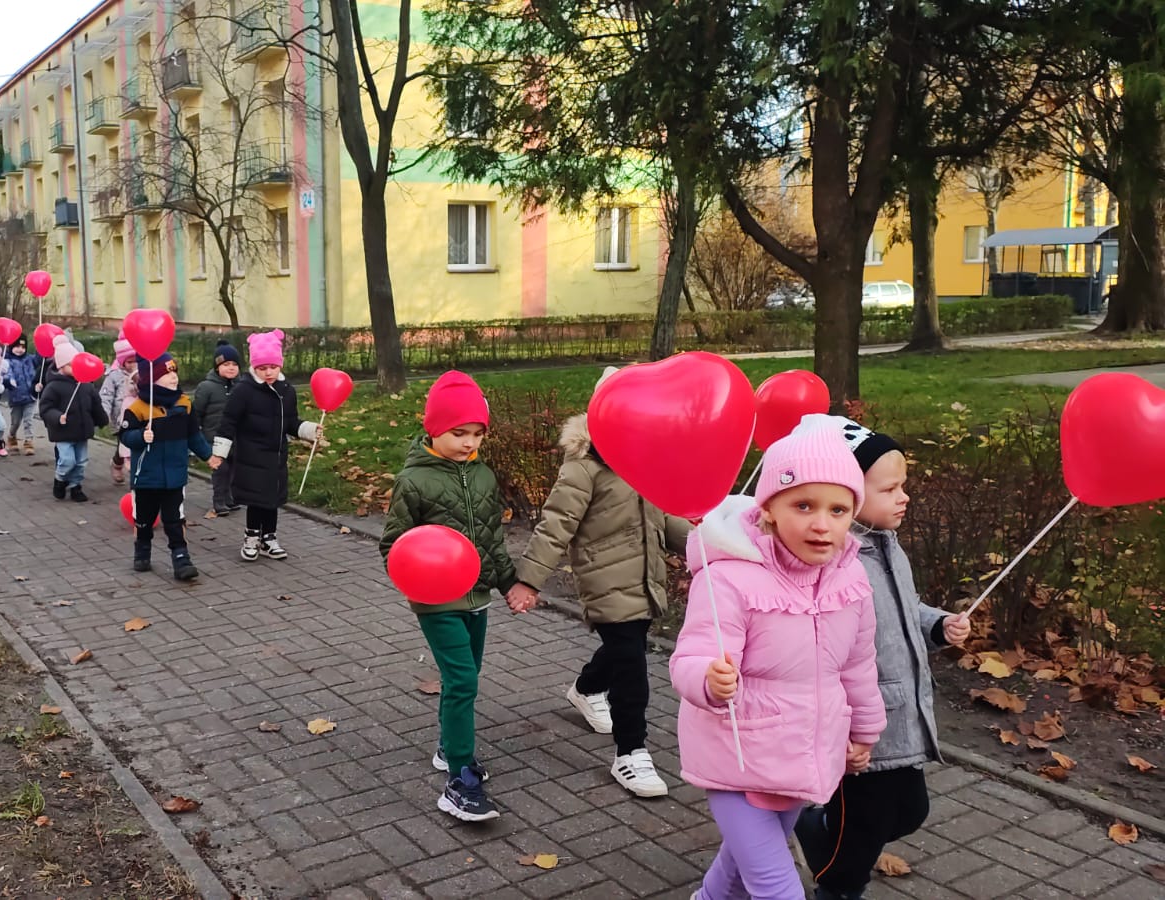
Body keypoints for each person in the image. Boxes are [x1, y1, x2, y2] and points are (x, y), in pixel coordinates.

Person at [670, 423, 885, 900]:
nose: (821, 524)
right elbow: (692, 654)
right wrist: (708, 679)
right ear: (768, 507)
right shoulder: (729, 579)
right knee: (776, 885)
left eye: (838, 509)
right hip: (737, 752)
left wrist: (864, 731)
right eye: (803, 505)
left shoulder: (851, 579)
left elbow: (858, 664)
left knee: (739, 864)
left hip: (804, 752)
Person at [792, 417, 970, 900]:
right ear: (846, 492)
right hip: (859, 723)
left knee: (909, 812)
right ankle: (837, 886)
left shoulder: (887, 546)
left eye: (902, 486)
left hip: (903, 711)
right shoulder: (831, 560)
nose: (903, 497)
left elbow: (904, 606)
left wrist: (936, 624)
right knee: (864, 824)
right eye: (889, 489)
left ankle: (813, 827)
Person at [507, 367, 690, 798]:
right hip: (605, 578)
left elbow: (663, 517)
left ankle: (587, 689)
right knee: (631, 666)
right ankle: (631, 752)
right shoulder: (584, 467)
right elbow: (556, 525)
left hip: (645, 578)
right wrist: (529, 580)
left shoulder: (644, 461)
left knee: (626, 648)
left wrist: (705, 547)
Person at [379, 371, 522, 823]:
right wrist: (419, 578)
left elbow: (492, 538)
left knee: (468, 674)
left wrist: (509, 583)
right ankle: (460, 780)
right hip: (437, 601)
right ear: (435, 428)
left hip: (478, 595)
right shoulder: (413, 481)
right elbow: (393, 545)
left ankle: (448, 745)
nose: (469, 442)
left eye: (477, 433)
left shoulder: (482, 475)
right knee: (462, 682)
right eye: (459, 433)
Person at [209, 330, 321, 560]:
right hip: (251, 456)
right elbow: (229, 422)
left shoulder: (286, 391)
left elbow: (291, 422)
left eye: (273, 367)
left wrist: (308, 430)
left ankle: (269, 537)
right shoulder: (243, 391)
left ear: (280, 365)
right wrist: (219, 453)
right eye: (262, 368)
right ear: (254, 367)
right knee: (256, 499)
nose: (268, 372)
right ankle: (251, 536)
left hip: (276, 456)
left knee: (272, 499)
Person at [119, 353, 213, 581]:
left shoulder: (183, 404)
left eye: (175, 372)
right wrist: (141, 436)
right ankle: (142, 549)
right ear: (152, 378)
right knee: (144, 519)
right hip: (146, 477)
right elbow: (125, 436)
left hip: (174, 475)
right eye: (167, 373)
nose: (174, 377)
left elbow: (194, 435)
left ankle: (181, 557)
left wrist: (208, 456)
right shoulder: (138, 408)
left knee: (174, 519)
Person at [39, 335, 108, 503]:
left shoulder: (85, 384)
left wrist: (102, 419)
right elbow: (45, 408)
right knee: (67, 460)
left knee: (81, 461)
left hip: (82, 431)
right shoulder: (53, 386)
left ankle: (76, 486)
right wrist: (57, 417)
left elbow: (95, 403)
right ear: (61, 366)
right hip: (63, 431)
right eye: (71, 365)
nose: (75, 368)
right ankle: (60, 479)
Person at [194, 341, 244, 516]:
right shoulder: (206, 387)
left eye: (234, 364)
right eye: (226, 364)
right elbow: (197, 412)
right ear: (217, 367)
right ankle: (219, 500)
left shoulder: (242, 386)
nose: (231, 368)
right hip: (214, 437)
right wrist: (197, 433)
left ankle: (229, 497)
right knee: (220, 469)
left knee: (233, 469)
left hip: (236, 437)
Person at [99, 333, 138, 484]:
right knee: (122, 445)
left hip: (138, 415)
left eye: (135, 360)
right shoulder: (114, 376)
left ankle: (136, 470)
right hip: (120, 418)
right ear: (122, 362)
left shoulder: (142, 374)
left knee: (134, 443)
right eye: (129, 361)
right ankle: (117, 464)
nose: (133, 364)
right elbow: (106, 395)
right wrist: (104, 412)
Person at [4, 335, 41, 455]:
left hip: (30, 396)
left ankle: (28, 441)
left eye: (23, 347)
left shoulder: (30, 359)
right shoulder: (8, 361)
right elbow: (7, 374)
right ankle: (11, 436)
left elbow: (39, 359)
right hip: (15, 398)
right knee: (15, 422)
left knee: (28, 420)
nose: (20, 349)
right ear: (11, 347)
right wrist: (9, 381)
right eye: (17, 347)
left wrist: (40, 346)